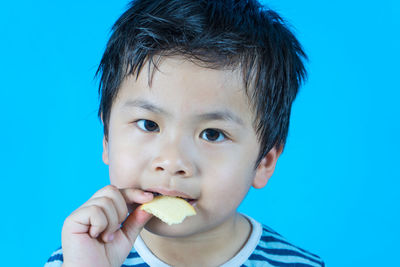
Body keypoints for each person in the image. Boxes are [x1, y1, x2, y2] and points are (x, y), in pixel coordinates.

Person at [45, 0, 324, 266]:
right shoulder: (78, 258)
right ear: (107, 138)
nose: (172, 161)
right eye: (148, 124)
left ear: (264, 162)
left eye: (212, 134)